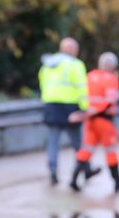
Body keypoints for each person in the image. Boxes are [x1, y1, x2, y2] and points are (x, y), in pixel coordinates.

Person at [39, 37, 100, 185]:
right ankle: (86, 168)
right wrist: (85, 108)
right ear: (72, 50)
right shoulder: (75, 65)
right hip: (70, 107)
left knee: (53, 141)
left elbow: (42, 83)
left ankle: (53, 171)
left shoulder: (47, 65)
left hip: (51, 105)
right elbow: (82, 88)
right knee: (78, 142)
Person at [68, 52, 119, 193]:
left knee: (86, 149)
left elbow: (83, 96)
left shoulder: (89, 76)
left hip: (90, 120)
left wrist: (85, 113)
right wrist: (97, 112)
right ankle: (118, 183)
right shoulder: (111, 79)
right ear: (113, 66)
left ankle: (73, 180)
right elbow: (109, 102)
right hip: (104, 120)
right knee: (111, 151)